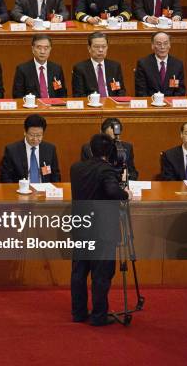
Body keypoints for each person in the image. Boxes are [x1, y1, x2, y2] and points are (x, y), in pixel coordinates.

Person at [70, 133, 131, 327]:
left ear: (91, 149)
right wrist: (125, 193)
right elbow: (113, 192)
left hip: (81, 226)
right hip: (102, 230)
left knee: (79, 272)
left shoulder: (76, 168)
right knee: (101, 274)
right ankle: (98, 316)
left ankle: (78, 313)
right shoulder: (106, 170)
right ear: (109, 151)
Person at [0, 114, 61, 183]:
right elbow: (6, 177)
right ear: (25, 132)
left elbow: (55, 175)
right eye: (31, 135)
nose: (35, 139)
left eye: (38, 135)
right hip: (21, 190)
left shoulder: (50, 149)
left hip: (44, 189)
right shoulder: (12, 150)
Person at [72, 32, 126, 97]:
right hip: (91, 104)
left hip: (112, 104)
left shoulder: (115, 66)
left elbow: (121, 91)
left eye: (104, 46)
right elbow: (79, 95)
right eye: (97, 47)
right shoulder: (80, 68)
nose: (101, 50)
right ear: (89, 48)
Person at [13, 34, 67, 98]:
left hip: (53, 106)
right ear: (33, 49)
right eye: (39, 48)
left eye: (46, 48)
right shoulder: (22, 69)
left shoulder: (57, 69)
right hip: (33, 106)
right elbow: (17, 96)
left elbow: (62, 94)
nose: (42, 52)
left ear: (50, 49)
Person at [134, 31, 185, 97]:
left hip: (170, 105)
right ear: (152, 46)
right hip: (151, 103)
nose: (162, 47)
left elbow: (180, 91)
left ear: (169, 45)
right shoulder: (143, 64)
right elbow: (141, 91)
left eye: (165, 43)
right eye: (159, 44)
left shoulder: (178, 64)